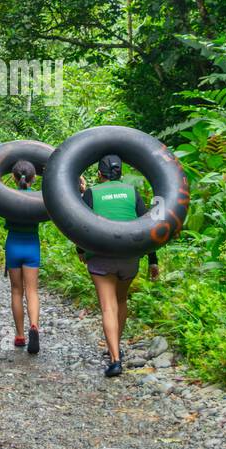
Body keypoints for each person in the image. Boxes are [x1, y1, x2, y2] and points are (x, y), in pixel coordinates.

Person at [79, 155, 159, 377]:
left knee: (107, 306)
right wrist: (153, 260)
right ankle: (117, 347)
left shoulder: (91, 193)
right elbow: (148, 226)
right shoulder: (132, 192)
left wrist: (80, 250)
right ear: (120, 173)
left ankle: (114, 358)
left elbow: (79, 224)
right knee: (121, 300)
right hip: (129, 257)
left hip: (101, 257)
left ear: (99, 174)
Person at [3, 160, 43, 354]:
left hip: (13, 247)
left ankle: (20, 336)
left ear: (13, 177)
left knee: (16, 291)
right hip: (31, 247)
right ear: (34, 178)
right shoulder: (39, 198)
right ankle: (34, 326)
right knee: (32, 291)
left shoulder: (6, 197)